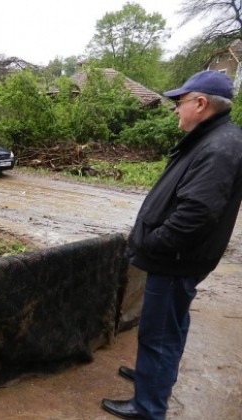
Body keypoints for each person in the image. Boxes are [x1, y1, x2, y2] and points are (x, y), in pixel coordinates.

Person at [102, 71, 242, 419]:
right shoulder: (215, 138)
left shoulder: (218, 147)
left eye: (179, 102)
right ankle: (155, 376)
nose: (175, 109)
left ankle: (148, 406)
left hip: (175, 259)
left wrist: (153, 243)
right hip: (182, 258)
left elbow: (196, 213)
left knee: (158, 334)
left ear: (201, 103)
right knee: (172, 326)